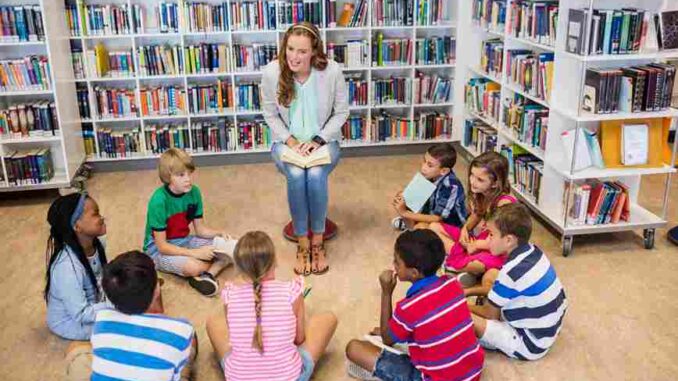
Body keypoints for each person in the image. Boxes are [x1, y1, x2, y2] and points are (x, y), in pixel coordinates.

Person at [261, 21, 349, 276]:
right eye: (290, 49)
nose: (294, 57)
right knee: (298, 175)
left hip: (324, 143)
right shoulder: (271, 72)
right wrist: (290, 141)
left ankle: (318, 244)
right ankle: (302, 245)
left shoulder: (331, 71)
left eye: (301, 51)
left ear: (314, 51)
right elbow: (269, 114)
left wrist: (318, 141)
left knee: (316, 174)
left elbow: (341, 112)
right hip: (286, 143)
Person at [345, 230, 484, 381]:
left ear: (414, 273)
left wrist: (386, 293)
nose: (394, 265)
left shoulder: (408, 307)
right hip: (473, 372)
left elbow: (387, 338)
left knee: (354, 348)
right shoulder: (453, 284)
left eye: (397, 262)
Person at [206, 231, 338, 381]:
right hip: (290, 377)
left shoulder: (230, 295)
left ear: (239, 267)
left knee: (213, 323)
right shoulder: (292, 291)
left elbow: (233, 336)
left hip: (239, 378)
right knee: (328, 319)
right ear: (274, 261)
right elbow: (299, 339)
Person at [65, 251, 197, 381]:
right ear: (157, 289)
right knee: (189, 345)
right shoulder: (182, 329)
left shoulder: (101, 319)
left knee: (75, 350)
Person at [469, 203, 567, 361]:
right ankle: (490, 300)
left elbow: (490, 315)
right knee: (493, 274)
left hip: (530, 344)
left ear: (508, 240)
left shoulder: (510, 274)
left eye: (491, 235)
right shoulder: (533, 250)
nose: (488, 239)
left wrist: (461, 302)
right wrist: (467, 292)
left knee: (463, 315)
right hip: (549, 328)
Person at [143, 148, 235, 296]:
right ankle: (212, 268)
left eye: (189, 173)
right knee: (193, 267)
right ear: (168, 177)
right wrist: (195, 253)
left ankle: (206, 276)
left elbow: (200, 230)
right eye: (181, 175)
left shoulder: (194, 192)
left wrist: (219, 233)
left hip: (184, 240)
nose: (188, 179)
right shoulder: (158, 200)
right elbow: (162, 246)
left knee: (232, 247)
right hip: (158, 250)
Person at [429, 151, 516, 289]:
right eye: (472, 175)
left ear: (495, 183)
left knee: (479, 264)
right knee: (434, 227)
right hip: (481, 240)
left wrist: (476, 245)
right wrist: (465, 229)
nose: (472, 182)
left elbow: (504, 240)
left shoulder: (504, 203)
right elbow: (477, 214)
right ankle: (463, 268)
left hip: (496, 248)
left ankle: (460, 266)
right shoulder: (482, 193)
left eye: (480, 180)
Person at [45, 192, 108, 341]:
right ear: (77, 226)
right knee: (123, 325)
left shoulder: (98, 243)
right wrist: (115, 305)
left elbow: (100, 277)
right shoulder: (66, 267)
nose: (102, 218)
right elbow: (81, 314)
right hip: (71, 322)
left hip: (93, 306)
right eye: (96, 214)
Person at [391, 143, 466, 231]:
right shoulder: (429, 174)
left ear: (444, 171)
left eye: (430, 165)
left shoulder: (451, 186)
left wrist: (405, 213)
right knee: (404, 199)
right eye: (424, 161)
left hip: (448, 224)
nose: (423, 167)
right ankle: (411, 229)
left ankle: (415, 231)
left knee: (421, 228)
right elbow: (413, 195)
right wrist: (403, 196)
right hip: (430, 211)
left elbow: (438, 218)